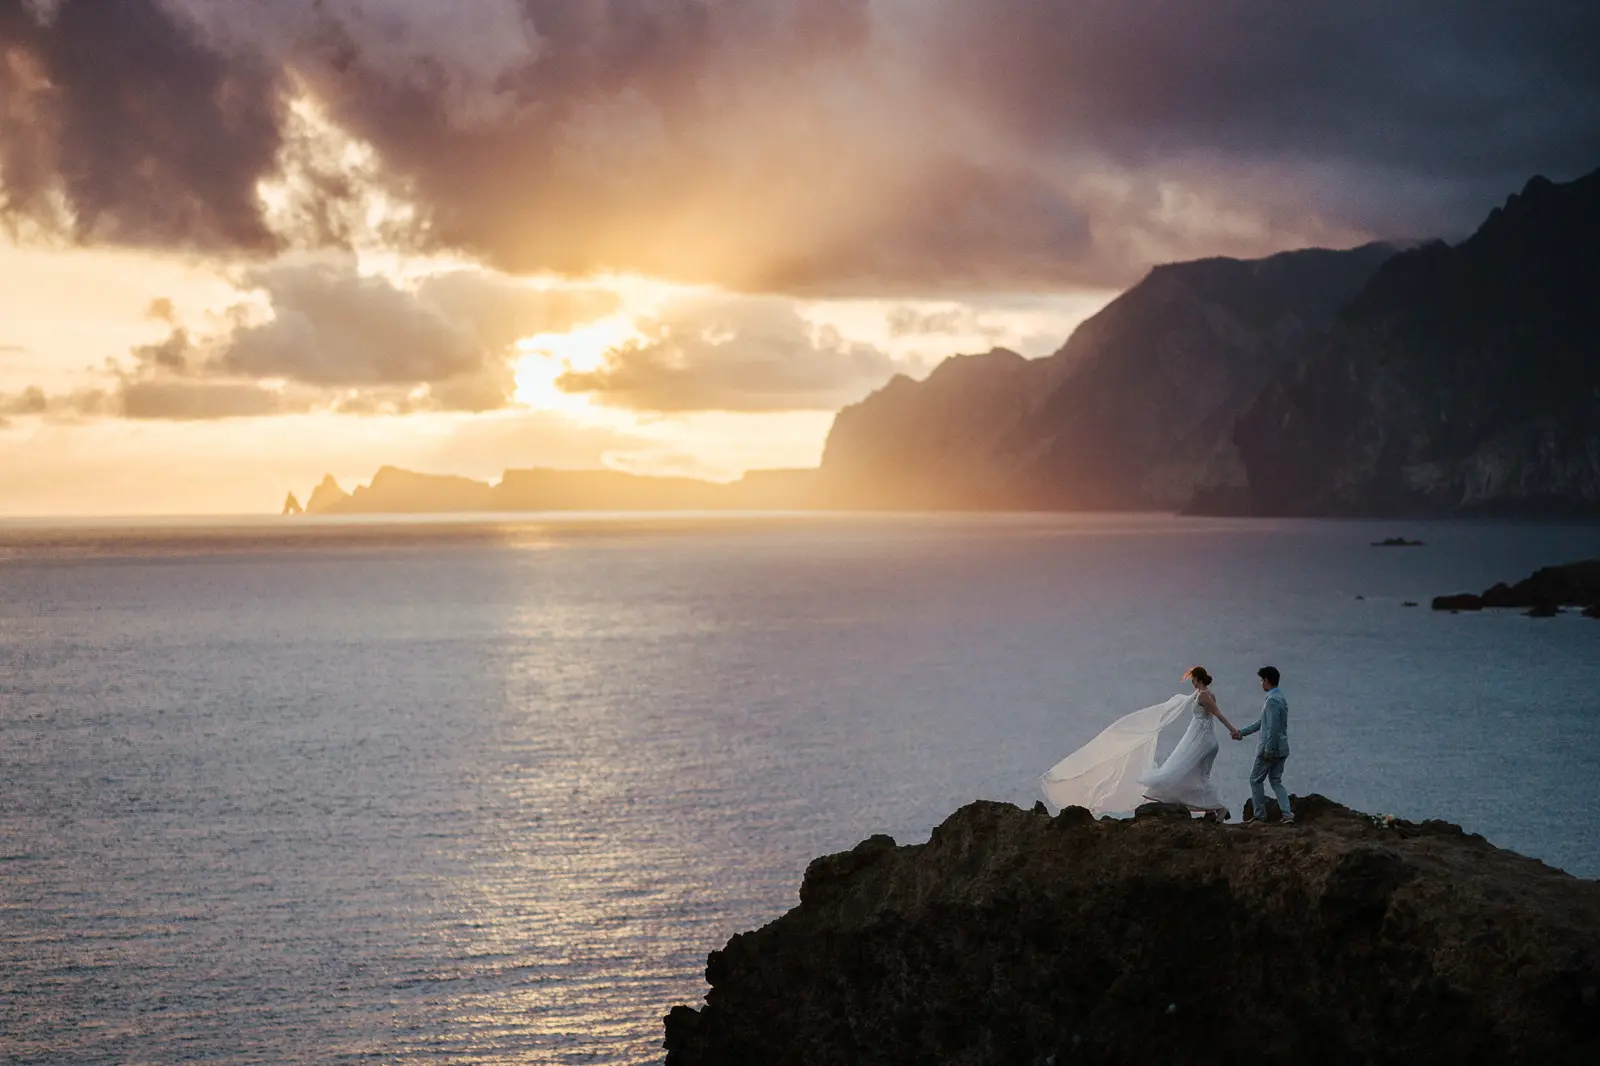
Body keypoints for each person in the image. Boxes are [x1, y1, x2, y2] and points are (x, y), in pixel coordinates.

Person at [1039, 666, 1240, 819]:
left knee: (1180, 770)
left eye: (1193, 680)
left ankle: (1217, 808)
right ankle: (1213, 810)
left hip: (1203, 740)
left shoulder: (1204, 695)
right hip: (1204, 739)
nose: (1192, 684)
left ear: (1197, 679)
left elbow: (1217, 714)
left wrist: (1233, 730)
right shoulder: (1205, 694)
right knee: (1198, 774)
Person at [1236, 666, 1292, 824]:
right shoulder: (1280, 697)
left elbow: (1272, 727)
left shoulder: (1272, 700)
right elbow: (1263, 722)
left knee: (1255, 780)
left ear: (1267, 681)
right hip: (1282, 747)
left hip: (1271, 749)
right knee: (1275, 780)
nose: (1261, 683)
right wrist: (1242, 732)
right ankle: (1287, 814)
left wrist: (1268, 749)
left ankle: (1260, 815)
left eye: (1262, 680)